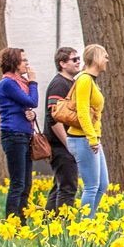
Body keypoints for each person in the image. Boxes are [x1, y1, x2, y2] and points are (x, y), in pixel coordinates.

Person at [0, 47, 40, 220]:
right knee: (18, 182)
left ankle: (21, 221)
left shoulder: (19, 82)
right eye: (23, 60)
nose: (26, 63)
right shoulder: (8, 83)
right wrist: (33, 82)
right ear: (14, 63)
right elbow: (32, 101)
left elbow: (28, 106)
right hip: (13, 135)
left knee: (26, 182)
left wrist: (32, 114)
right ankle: (12, 221)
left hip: (24, 134)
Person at [70, 44, 109, 216]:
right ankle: (85, 229)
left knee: (102, 185)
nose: (107, 60)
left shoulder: (91, 80)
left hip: (91, 138)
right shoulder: (84, 79)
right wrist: (91, 138)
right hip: (83, 139)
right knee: (92, 186)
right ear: (97, 58)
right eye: (105, 56)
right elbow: (83, 111)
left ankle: (89, 221)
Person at [44, 46, 80, 213]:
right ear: (62, 63)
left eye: (79, 58)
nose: (78, 62)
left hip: (66, 143)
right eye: (74, 59)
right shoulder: (59, 84)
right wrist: (68, 143)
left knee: (59, 186)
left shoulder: (71, 83)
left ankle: (50, 225)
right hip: (60, 144)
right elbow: (53, 118)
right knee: (67, 187)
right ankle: (63, 227)